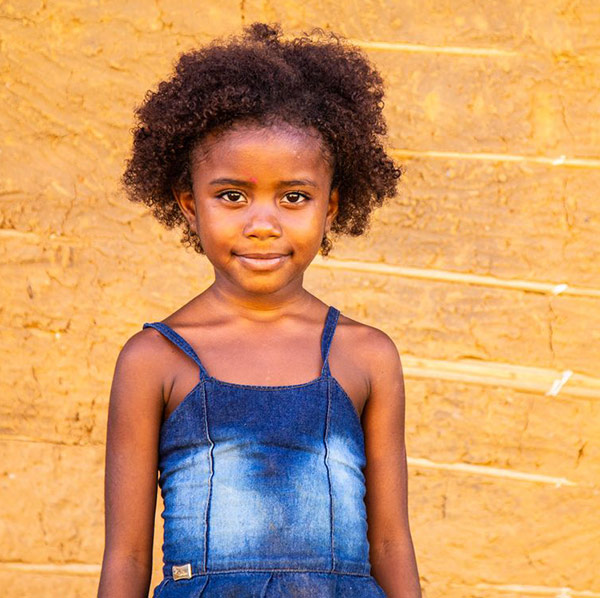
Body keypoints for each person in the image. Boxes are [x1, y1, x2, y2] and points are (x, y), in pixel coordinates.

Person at [97, 22, 421, 598]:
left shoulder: (366, 356)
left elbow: (392, 543)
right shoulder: (153, 360)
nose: (263, 223)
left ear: (331, 207)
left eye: (294, 197)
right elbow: (125, 556)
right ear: (189, 206)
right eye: (232, 196)